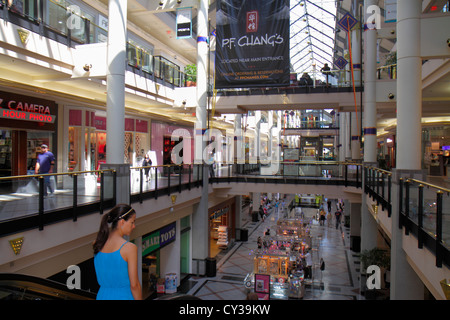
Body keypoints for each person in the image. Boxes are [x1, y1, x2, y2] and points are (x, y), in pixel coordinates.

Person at [93, 204, 142, 300]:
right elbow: (134, 285)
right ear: (122, 222)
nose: (134, 226)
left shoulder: (97, 243)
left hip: (102, 296)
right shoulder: (129, 248)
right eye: (132, 222)